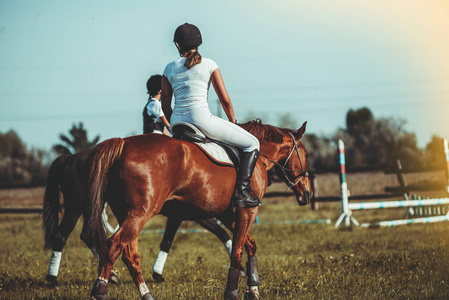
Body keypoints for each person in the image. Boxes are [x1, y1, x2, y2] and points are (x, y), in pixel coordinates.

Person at [161, 23, 260, 208]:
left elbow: (165, 104)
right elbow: (225, 99)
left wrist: (172, 124)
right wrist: (233, 122)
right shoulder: (209, 64)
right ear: (199, 43)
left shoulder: (168, 68)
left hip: (177, 123)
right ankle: (243, 192)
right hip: (201, 120)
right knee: (252, 143)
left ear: (178, 45)